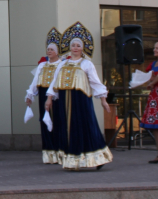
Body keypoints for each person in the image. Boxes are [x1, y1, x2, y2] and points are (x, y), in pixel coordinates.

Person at [45, 22, 112, 170]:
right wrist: (49, 99)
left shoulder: (87, 64)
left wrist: (103, 100)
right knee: (66, 128)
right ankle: (72, 160)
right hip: (64, 100)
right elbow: (54, 82)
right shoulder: (62, 64)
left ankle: (97, 157)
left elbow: (95, 83)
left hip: (80, 101)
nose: (75, 48)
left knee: (85, 126)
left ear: (82, 48)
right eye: (73, 45)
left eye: (78, 45)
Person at [25, 27, 64, 163]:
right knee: (45, 122)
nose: (49, 51)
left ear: (57, 51)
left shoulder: (62, 64)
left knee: (57, 122)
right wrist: (30, 95)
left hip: (57, 97)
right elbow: (35, 81)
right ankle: (49, 153)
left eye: (52, 49)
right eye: (48, 49)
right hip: (42, 94)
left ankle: (59, 152)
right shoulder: (42, 65)